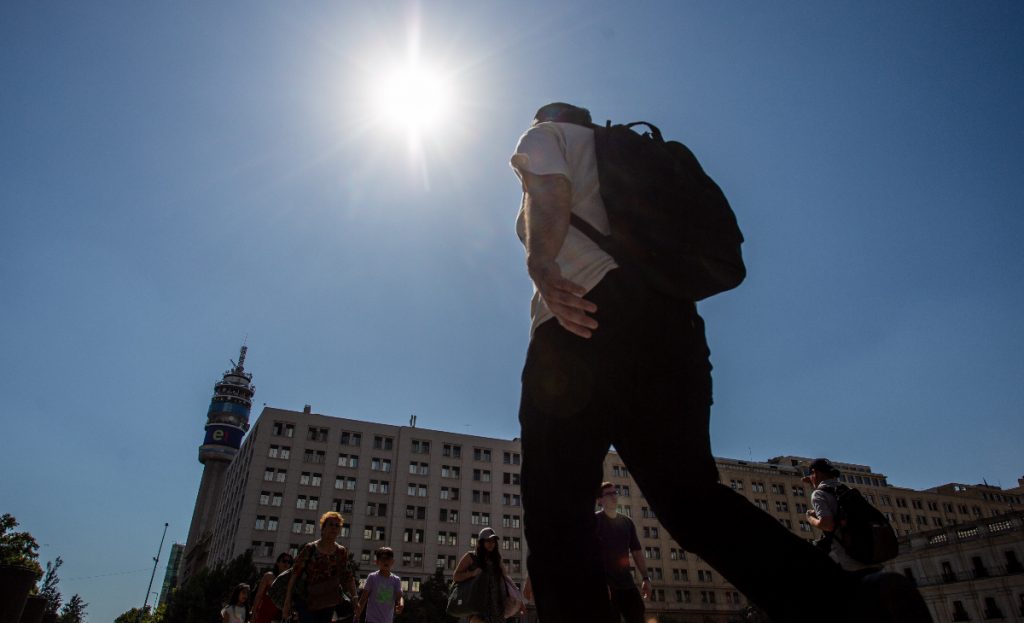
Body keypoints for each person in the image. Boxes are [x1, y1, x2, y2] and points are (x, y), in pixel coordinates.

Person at [510, 102, 932, 623]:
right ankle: (853, 605)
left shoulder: (547, 133)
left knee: (557, 510)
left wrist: (541, 262)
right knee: (689, 498)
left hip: (578, 323)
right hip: (669, 327)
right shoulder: (614, 154)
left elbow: (549, 189)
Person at [803, 458, 877, 573]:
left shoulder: (818, 494)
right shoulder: (848, 490)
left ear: (815, 473)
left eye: (811, 475)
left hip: (845, 560)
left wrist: (810, 518)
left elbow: (827, 525)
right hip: (869, 555)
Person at [282, 511, 357, 623]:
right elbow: (295, 574)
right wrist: (287, 600)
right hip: (307, 601)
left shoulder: (341, 552)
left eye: (337, 525)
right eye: (330, 524)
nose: (334, 528)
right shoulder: (310, 548)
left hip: (328, 601)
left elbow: (348, 576)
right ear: (323, 528)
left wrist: (355, 597)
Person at [595, 482, 650, 623]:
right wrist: (599, 583)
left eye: (615, 492)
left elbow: (637, 552)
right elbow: (588, 555)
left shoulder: (627, 522)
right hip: (605, 585)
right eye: (609, 494)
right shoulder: (594, 521)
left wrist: (645, 578)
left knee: (638, 615)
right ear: (600, 500)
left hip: (627, 583)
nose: (614, 496)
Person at [452, 528, 513, 623]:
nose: (491, 544)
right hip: (478, 611)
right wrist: (471, 573)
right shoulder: (470, 557)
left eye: (493, 541)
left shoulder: (497, 560)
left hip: (497, 610)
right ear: (481, 542)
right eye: (488, 541)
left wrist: (518, 600)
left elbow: (507, 581)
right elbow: (456, 576)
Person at [354, 547, 403, 623]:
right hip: (371, 620)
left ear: (392, 562)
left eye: (388, 559)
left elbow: (400, 597)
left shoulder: (396, 580)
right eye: (383, 559)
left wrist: (401, 604)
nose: (385, 562)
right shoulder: (372, 577)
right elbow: (364, 598)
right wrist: (357, 614)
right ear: (377, 562)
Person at [251, 552, 293, 623]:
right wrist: (254, 611)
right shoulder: (269, 576)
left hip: (278, 616)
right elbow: (259, 595)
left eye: (289, 562)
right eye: (284, 561)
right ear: (278, 563)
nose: (286, 563)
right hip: (263, 612)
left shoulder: (290, 581)